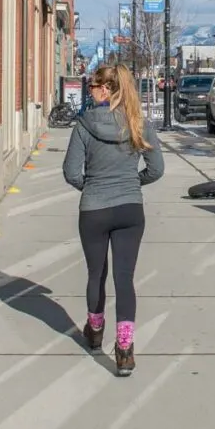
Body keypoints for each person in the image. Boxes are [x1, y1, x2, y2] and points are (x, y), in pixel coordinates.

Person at [62, 63, 165, 376]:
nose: (90, 91)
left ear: (106, 89)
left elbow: (70, 172)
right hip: (129, 209)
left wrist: (92, 187)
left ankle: (95, 331)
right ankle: (124, 350)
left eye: (93, 86)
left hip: (93, 208)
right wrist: (132, 184)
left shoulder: (84, 125)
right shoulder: (138, 123)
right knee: (125, 279)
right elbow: (157, 169)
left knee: (96, 274)